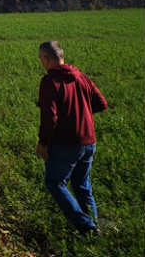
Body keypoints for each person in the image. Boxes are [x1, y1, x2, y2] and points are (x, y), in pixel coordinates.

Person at [35, 40, 108, 235]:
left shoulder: (50, 81)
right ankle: (94, 225)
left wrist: (43, 142)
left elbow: (49, 117)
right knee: (82, 184)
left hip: (66, 144)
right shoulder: (81, 76)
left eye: (41, 59)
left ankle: (87, 226)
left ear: (47, 59)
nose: (41, 63)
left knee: (54, 183)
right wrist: (80, 114)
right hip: (89, 141)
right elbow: (101, 103)